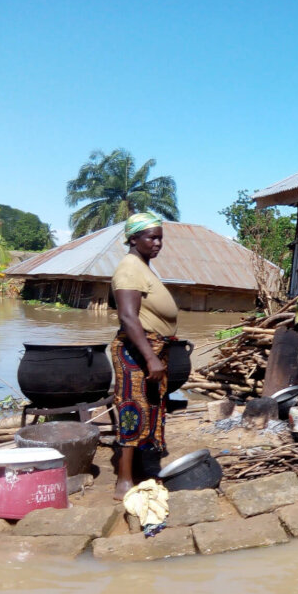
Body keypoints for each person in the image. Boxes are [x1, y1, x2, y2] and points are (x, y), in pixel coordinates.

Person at [110, 212, 179, 499]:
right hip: (136, 351)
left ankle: (141, 468)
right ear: (133, 238)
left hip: (151, 348)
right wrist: (150, 358)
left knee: (149, 408)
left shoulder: (143, 267)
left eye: (160, 238)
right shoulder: (129, 268)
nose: (158, 243)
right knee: (132, 409)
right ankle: (124, 480)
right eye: (152, 238)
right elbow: (128, 317)